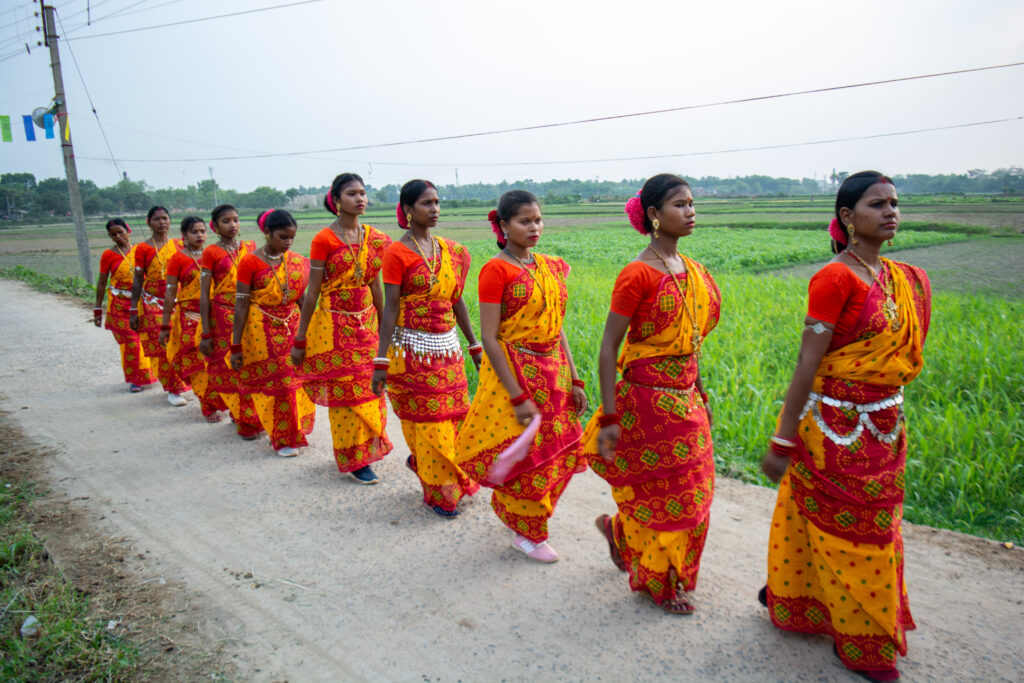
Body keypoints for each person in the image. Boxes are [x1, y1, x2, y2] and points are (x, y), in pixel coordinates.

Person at [759, 172, 930, 682]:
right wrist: (782, 439)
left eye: (895, 203)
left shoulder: (907, 279)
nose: (890, 211)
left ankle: (795, 593)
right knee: (851, 531)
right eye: (877, 204)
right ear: (848, 218)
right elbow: (805, 367)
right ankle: (862, 639)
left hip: (885, 428)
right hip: (832, 428)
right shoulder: (834, 279)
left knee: (867, 526)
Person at [583, 173, 720, 614]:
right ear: (654, 215)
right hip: (645, 404)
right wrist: (608, 417)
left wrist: (701, 393)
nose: (691, 211)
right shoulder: (637, 274)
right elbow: (608, 349)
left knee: (695, 491)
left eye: (692, 203)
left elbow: (691, 343)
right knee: (660, 496)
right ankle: (660, 579)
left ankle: (622, 534)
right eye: (680, 204)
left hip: (687, 401)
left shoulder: (695, 272)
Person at [454, 191, 587, 562]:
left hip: (554, 373)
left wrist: (575, 380)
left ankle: (529, 519)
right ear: (503, 226)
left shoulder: (549, 266)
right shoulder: (496, 270)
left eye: (538, 220)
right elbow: (491, 338)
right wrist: (516, 395)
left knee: (557, 453)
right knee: (526, 456)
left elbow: (557, 328)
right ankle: (527, 531)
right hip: (514, 375)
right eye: (524, 221)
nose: (534, 227)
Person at [372, 179, 482, 517]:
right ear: (408, 209)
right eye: (426, 203)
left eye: (437, 202)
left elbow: (457, 300)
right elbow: (390, 308)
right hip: (411, 352)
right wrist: (380, 359)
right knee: (428, 422)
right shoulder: (396, 252)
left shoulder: (451, 250)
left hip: (447, 352)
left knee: (453, 419)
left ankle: (432, 466)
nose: (434, 209)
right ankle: (440, 493)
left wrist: (474, 343)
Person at [291, 173, 393, 483]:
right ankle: (353, 458)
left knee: (371, 389)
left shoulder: (375, 238)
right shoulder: (324, 239)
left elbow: (375, 283)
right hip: (334, 325)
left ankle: (367, 446)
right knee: (346, 394)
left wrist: (386, 326)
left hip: (367, 326)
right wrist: (301, 336)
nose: (360, 199)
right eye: (352, 194)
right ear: (336, 200)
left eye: (363, 193)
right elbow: (313, 292)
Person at [230, 209, 314, 457]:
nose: (288, 243)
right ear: (267, 233)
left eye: (291, 238)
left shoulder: (297, 261)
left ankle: (292, 429)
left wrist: (308, 329)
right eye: (282, 237)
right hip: (262, 329)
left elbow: (302, 298)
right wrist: (236, 346)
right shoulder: (250, 262)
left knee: (296, 380)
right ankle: (284, 438)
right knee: (280, 385)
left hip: (293, 325)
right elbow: (241, 304)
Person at [199, 204, 264, 440]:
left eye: (236, 220)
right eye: (226, 221)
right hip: (222, 317)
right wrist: (206, 331)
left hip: (249, 315)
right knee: (228, 369)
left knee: (251, 365)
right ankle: (243, 419)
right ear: (215, 226)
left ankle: (252, 416)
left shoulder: (251, 248)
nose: (233, 225)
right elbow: (205, 293)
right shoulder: (211, 253)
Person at [158, 216, 228, 422]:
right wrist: (165, 324)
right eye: (194, 232)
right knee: (198, 363)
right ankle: (208, 406)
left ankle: (230, 404)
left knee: (219, 361)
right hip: (190, 316)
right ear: (184, 236)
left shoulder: (214, 254)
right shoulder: (178, 259)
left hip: (215, 314)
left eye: (203, 231)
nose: (200, 235)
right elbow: (170, 293)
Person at [129, 206, 191, 406]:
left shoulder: (180, 245)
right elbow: (138, 279)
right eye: (157, 219)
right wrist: (133, 308)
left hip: (179, 302)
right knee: (163, 347)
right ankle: (173, 389)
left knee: (182, 344)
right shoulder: (143, 249)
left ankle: (187, 382)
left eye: (165, 218)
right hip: (153, 303)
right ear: (149, 222)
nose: (162, 222)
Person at [94, 219, 158, 392]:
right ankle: (136, 379)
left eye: (121, 232)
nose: (118, 236)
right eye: (113, 234)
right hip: (119, 305)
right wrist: (98, 308)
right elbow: (101, 283)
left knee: (147, 338)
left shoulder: (141, 250)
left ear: (128, 230)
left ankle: (153, 372)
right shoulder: (108, 255)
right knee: (131, 342)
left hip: (141, 303)